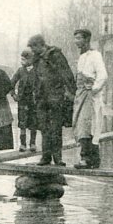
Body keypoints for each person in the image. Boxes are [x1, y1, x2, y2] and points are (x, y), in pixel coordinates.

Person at [28, 34, 75, 167]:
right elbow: (35, 77)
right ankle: (45, 157)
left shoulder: (56, 55)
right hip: (41, 98)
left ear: (39, 45)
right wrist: (35, 93)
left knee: (56, 128)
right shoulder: (37, 59)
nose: (32, 51)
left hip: (55, 97)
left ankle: (58, 158)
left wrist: (73, 92)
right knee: (44, 128)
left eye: (33, 48)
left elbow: (66, 73)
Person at [72, 29, 108, 169]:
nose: (76, 41)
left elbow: (103, 75)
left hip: (89, 96)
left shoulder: (95, 55)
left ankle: (86, 159)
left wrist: (93, 89)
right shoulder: (81, 57)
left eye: (79, 38)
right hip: (81, 95)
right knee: (81, 124)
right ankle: (93, 159)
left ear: (87, 40)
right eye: (75, 38)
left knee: (87, 126)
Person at [10, 48, 38, 152]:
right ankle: (22, 144)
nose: (23, 62)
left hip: (34, 100)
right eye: (21, 59)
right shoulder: (20, 70)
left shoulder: (37, 70)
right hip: (23, 100)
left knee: (34, 122)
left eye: (25, 59)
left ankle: (33, 143)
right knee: (22, 122)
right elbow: (11, 83)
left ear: (31, 59)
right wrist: (13, 95)